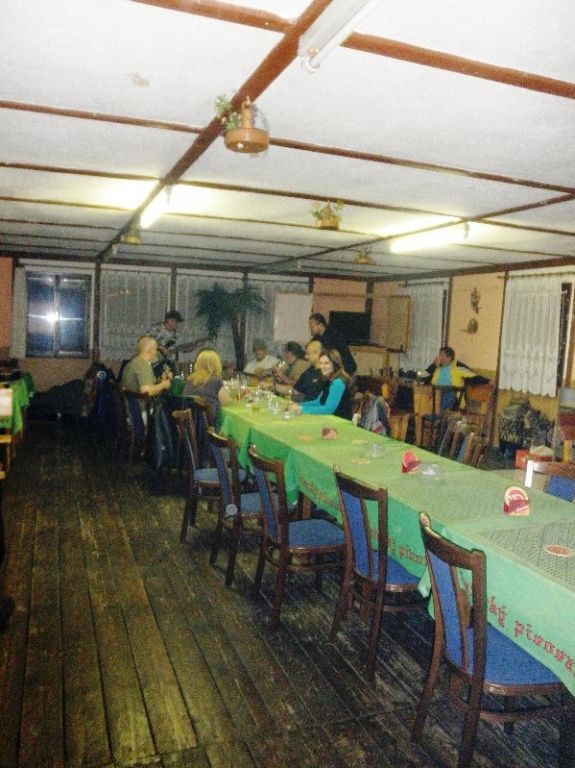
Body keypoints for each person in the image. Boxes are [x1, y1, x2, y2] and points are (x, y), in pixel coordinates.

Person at [288, 349, 353, 419]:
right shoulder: (327, 379)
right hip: (330, 418)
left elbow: (328, 409)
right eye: (321, 363)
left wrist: (301, 409)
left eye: (326, 363)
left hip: (341, 421)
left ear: (335, 364)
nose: (322, 366)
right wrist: (298, 405)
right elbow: (318, 402)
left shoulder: (338, 382)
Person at [424, 345, 486, 411]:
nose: (438, 357)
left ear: (449, 358)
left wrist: (487, 381)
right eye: (439, 355)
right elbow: (424, 377)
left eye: (441, 355)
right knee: (422, 392)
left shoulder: (458, 366)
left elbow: (474, 376)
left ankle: (439, 414)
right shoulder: (435, 366)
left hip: (450, 394)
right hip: (433, 392)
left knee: (447, 393)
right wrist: (434, 366)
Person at [182, 349, 231, 423]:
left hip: (190, 423)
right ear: (216, 364)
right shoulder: (216, 380)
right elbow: (226, 401)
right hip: (207, 424)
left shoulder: (190, 380)